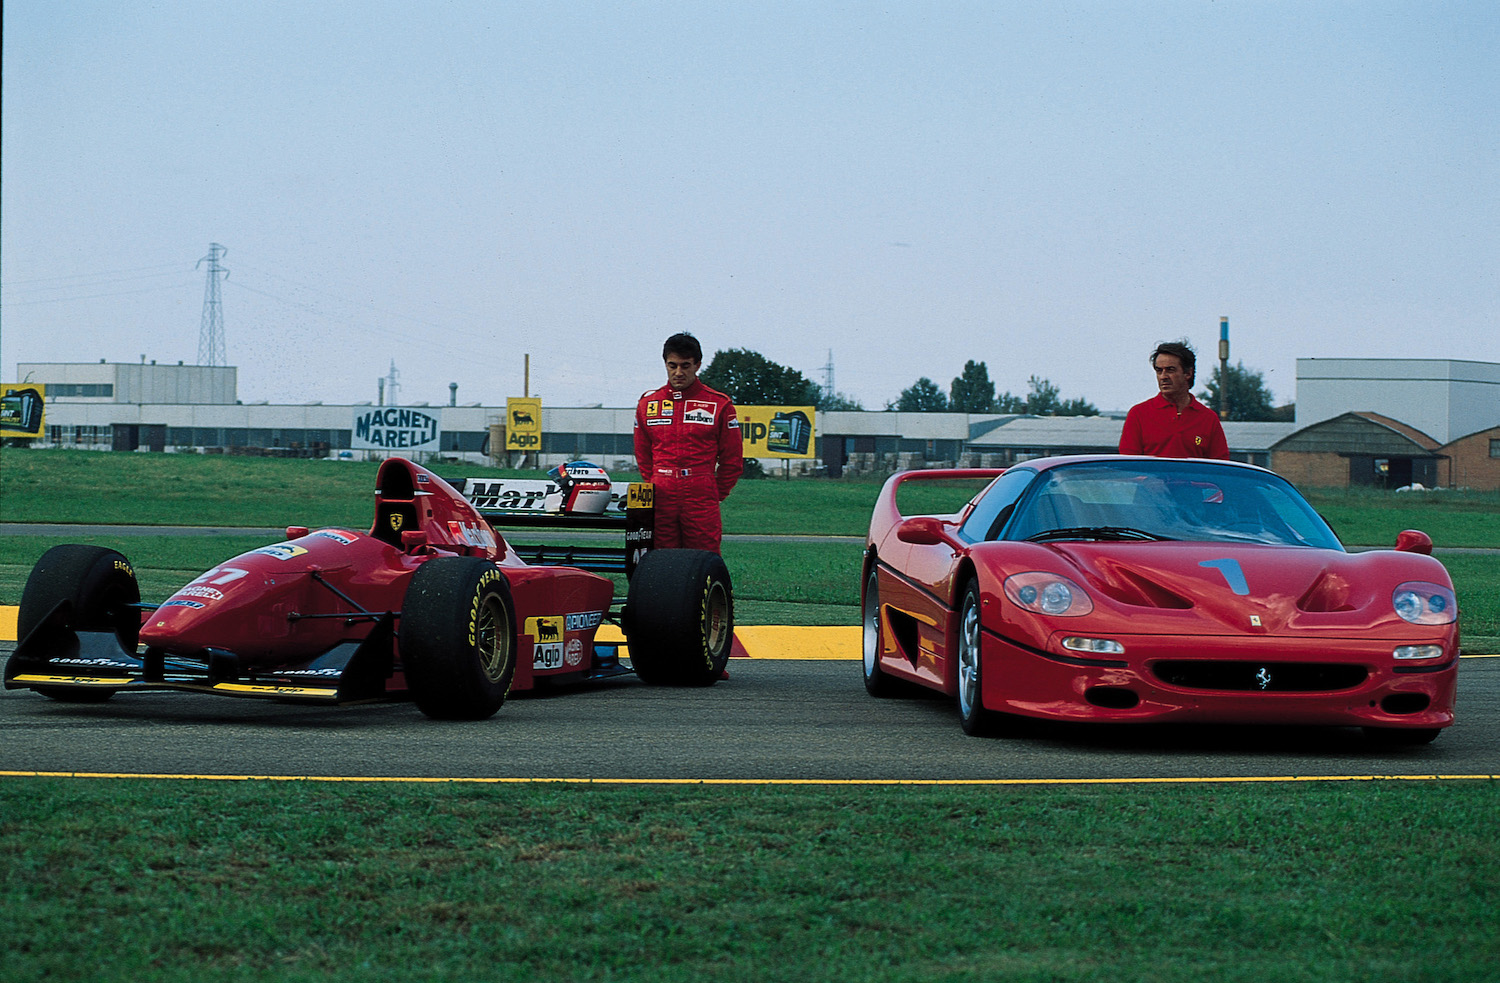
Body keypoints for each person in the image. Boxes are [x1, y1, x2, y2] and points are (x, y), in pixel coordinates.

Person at [634, 333, 744, 552]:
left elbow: (732, 459)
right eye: (672, 365)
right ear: (665, 364)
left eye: (685, 366)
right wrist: (656, 481)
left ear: (697, 365)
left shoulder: (719, 403)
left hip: (700, 490)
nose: (678, 372)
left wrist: (714, 492)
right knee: (662, 556)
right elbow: (643, 454)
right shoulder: (648, 403)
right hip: (661, 490)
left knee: (703, 556)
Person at [1118, 340, 1230, 459]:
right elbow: (1128, 464)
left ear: (1188, 373)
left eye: (1170, 370)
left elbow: (1220, 466)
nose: (1163, 377)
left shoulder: (1208, 418)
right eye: (1159, 371)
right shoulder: (1138, 414)